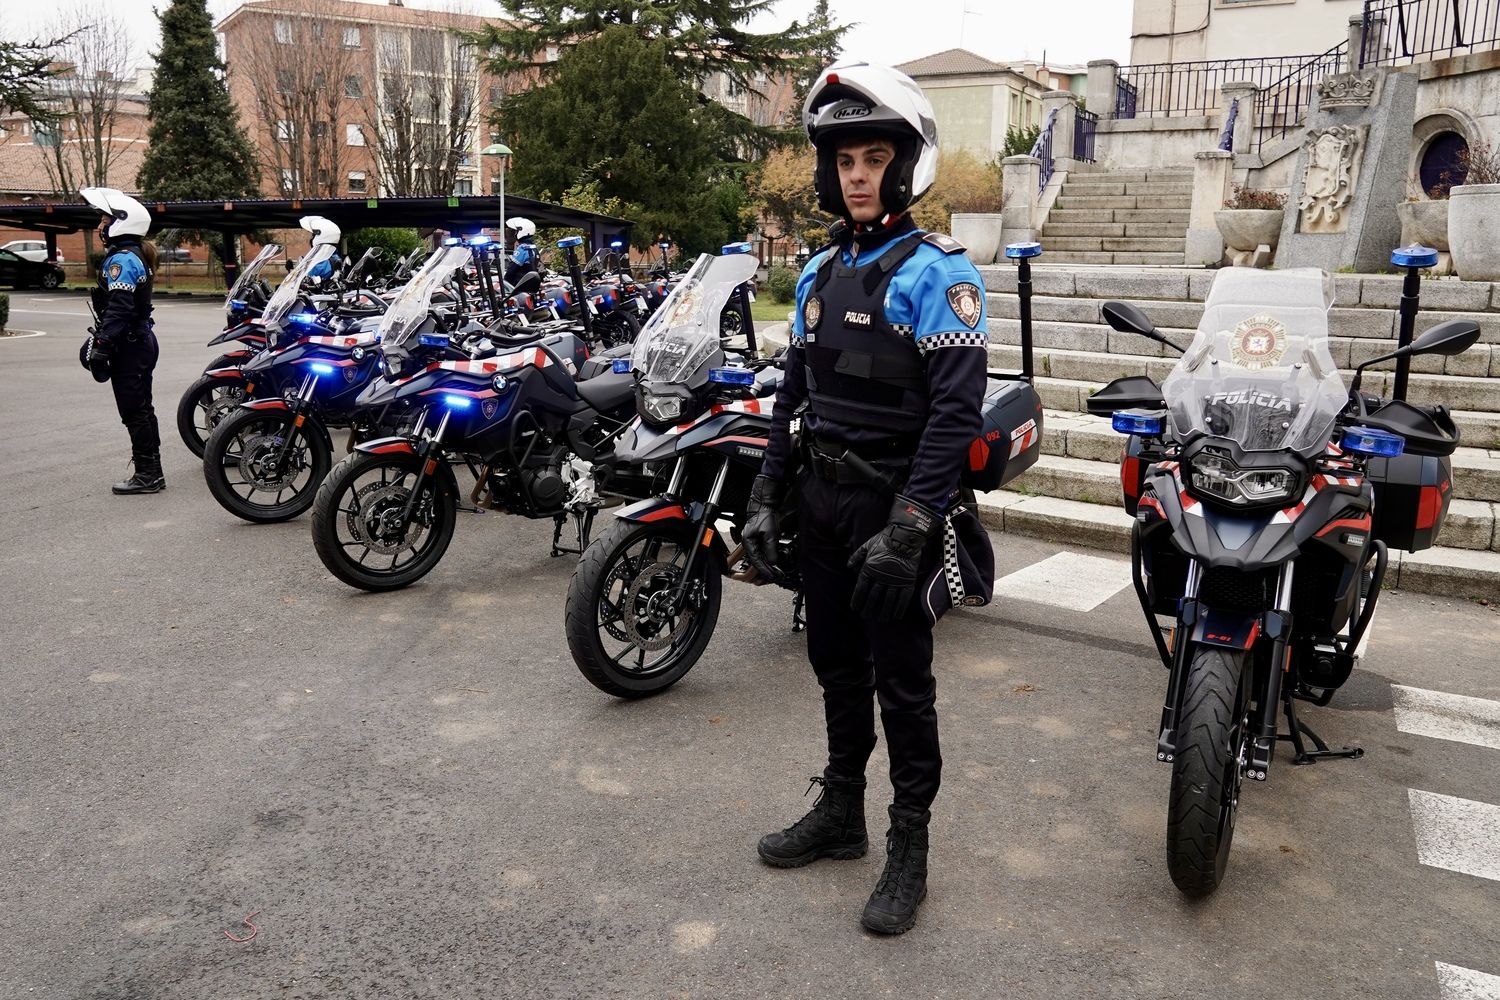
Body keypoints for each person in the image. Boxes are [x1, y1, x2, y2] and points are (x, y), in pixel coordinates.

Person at [740, 61, 993, 935]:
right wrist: (767, 492)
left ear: (904, 164)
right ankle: (842, 811)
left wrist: (914, 527)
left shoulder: (940, 276)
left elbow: (956, 413)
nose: (856, 174)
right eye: (844, 159)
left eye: (873, 156)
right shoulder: (814, 274)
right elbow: (792, 396)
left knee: (904, 686)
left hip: (896, 512)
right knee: (834, 666)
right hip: (820, 501)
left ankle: (908, 846)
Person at [81, 187, 165, 495]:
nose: (99, 227)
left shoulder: (123, 260)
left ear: (121, 221)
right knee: (142, 406)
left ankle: (148, 474)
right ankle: (151, 470)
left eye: (103, 220)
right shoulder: (132, 255)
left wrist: (103, 344)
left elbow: (119, 307)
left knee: (134, 409)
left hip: (131, 344)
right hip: (138, 340)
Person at [301, 216, 342, 286]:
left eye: (314, 235)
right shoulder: (334, 256)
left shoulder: (320, 262)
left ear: (322, 237)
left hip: (319, 294)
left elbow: (305, 276)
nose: (312, 238)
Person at [504, 216, 540, 289]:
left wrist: (504, 282)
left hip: (519, 287)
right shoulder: (533, 247)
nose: (514, 234)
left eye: (515, 231)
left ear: (521, 231)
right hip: (530, 285)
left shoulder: (522, 249)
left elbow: (511, 270)